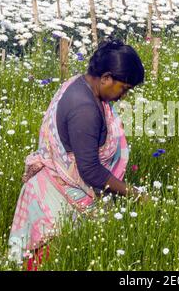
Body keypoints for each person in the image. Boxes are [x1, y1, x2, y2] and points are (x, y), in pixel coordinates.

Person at [8, 37, 147, 270]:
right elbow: (90, 170)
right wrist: (135, 195)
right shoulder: (84, 109)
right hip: (58, 202)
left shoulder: (80, 84)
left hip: (54, 191)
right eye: (124, 89)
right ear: (106, 78)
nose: (124, 96)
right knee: (50, 262)